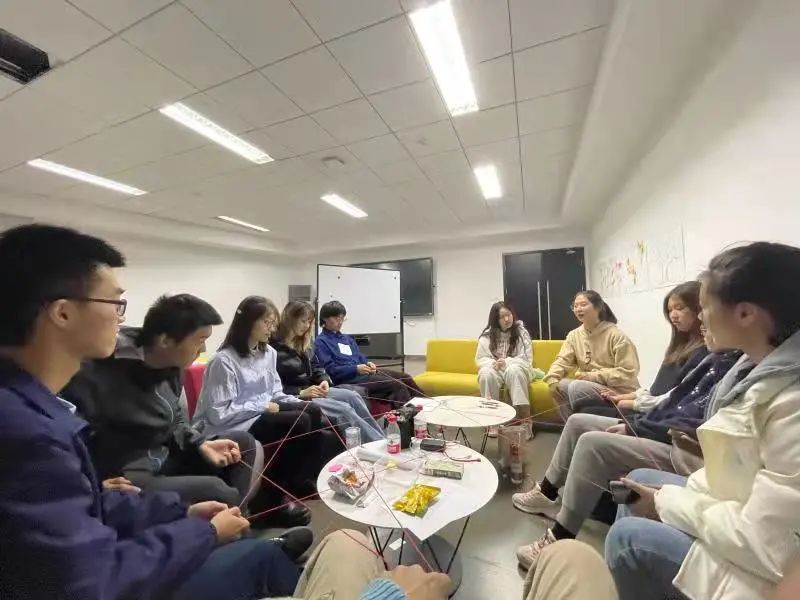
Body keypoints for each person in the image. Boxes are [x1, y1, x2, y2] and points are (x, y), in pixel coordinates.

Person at [0, 224, 311, 600]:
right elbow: (90, 579)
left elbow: (89, 504)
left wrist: (184, 510)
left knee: (237, 455)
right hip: (130, 490)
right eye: (114, 304)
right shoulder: (30, 431)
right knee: (261, 553)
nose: (121, 317)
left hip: (143, 482)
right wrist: (202, 533)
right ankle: (248, 549)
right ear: (63, 313)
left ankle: (242, 542)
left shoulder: (34, 406)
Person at [604, 242, 800, 600]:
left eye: (704, 306)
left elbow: (767, 545)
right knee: (640, 482)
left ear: (745, 314)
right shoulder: (750, 370)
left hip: (763, 570)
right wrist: (667, 499)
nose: (700, 317)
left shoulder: (791, 402)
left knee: (627, 539)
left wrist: (665, 503)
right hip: (736, 507)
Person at [512, 322, 741, 572]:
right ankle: (546, 493)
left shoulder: (732, 369)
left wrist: (635, 420)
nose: (702, 321)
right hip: (659, 427)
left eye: (705, 310)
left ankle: (559, 536)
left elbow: (682, 417)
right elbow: (669, 399)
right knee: (578, 422)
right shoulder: (712, 359)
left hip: (681, 451)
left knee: (592, 442)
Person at [62, 294, 268, 511]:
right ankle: (232, 515)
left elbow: (175, 417)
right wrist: (92, 484)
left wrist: (199, 443)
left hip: (165, 457)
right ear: (165, 341)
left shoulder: (173, 366)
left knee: (243, 443)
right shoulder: (98, 371)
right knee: (217, 490)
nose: (203, 350)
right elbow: (73, 436)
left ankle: (232, 513)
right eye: (199, 340)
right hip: (129, 474)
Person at [193, 296, 341, 500]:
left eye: (273, 323)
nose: (271, 329)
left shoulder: (269, 353)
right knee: (299, 421)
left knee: (312, 410)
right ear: (247, 323)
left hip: (261, 411)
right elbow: (219, 414)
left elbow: (276, 392)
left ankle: (300, 478)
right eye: (267, 322)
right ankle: (272, 495)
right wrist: (262, 406)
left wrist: (299, 401)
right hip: (234, 422)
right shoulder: (223, 361)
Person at [271, 300, 384, 442]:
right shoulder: (272, 348)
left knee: (353, 396)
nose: (307, 326)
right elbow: (271, 388)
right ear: (290, 319)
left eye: (309, 322)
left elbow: (316, 366)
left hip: (313, 389)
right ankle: (376, 444)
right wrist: (300, 392)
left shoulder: (305, 341)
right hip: (296, 395)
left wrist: (323, 380)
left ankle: (382, 439)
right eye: (303, 321)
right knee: (343, 409)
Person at [593, 282, 708, 417]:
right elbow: (657, 388)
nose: (673, 315)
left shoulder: (704, 351)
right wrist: (627, 396)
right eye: (670, 310)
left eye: (679, 308)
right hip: (648, 406)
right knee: (586, 406)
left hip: (658, 415)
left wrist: (633, 403)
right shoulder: (679, 346)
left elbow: (675, 397)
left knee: (584, 412)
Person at [543, 290, 640, 420]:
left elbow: (628, 372)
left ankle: (591, 423)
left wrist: (593, 376)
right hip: (591, 386)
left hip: (620, 390)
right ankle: (573, 425)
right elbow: (562, 360)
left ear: (598, 307)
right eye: (575, 306)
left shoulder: (616, 335)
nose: (578, 309)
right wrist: (552, 378)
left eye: (583, 304)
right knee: (559, 386)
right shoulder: (574, 335)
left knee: (577, 387)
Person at [315, 300, 425, 414]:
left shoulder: (346, 338)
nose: (340, 322)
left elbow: (359, 356)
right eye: (336, 318)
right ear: (325, 318)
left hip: (363, 373)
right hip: (348, 379)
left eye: (342, 318)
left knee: (405, 377)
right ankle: (407, 417)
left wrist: (368, 363)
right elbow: (330, 370)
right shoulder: (321, 342)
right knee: (396, 385)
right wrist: (355, 369)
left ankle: (426, 406)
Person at [476, 301, 537, 440]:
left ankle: (525, 421)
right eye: (502, 317)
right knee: (486, 374)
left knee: (514, 371)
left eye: (509, 315)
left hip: (518, 367)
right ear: (495, 320)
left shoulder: (521, 332)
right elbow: (481, 358)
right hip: (496, 368)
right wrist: (493, 363)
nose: (507, 319)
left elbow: (526, 358)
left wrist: (507, 362)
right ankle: (492, 421)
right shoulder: (487, 335)